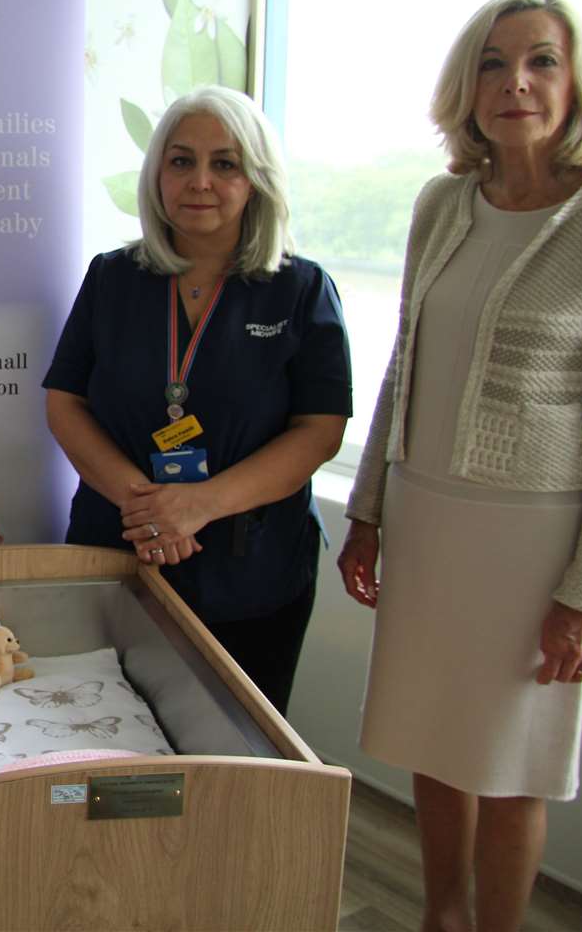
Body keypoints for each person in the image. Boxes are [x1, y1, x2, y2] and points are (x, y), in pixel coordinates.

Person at [338, 0, 582, 932]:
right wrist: (366, 511)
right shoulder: (443, 203)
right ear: (467, 86)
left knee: (516, 761)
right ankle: (442, 918)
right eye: (492, 62)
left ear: (574, 82)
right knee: (433, 740)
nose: (514, 81)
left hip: (537, 541)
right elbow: (405, 359)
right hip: (429, 519)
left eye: (541, 60)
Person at [44, 86, 351, 714]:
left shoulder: (300, 288)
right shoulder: (111, 277)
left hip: (252, 569)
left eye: (226, 164)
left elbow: (319, 430)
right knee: (107, 734)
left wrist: (198, 506)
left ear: (256, 180)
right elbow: (65, 403)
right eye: (181, 161)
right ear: (158, 173)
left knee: (235, 758)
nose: (200, 181)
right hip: (118, 546)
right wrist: (147, 507)